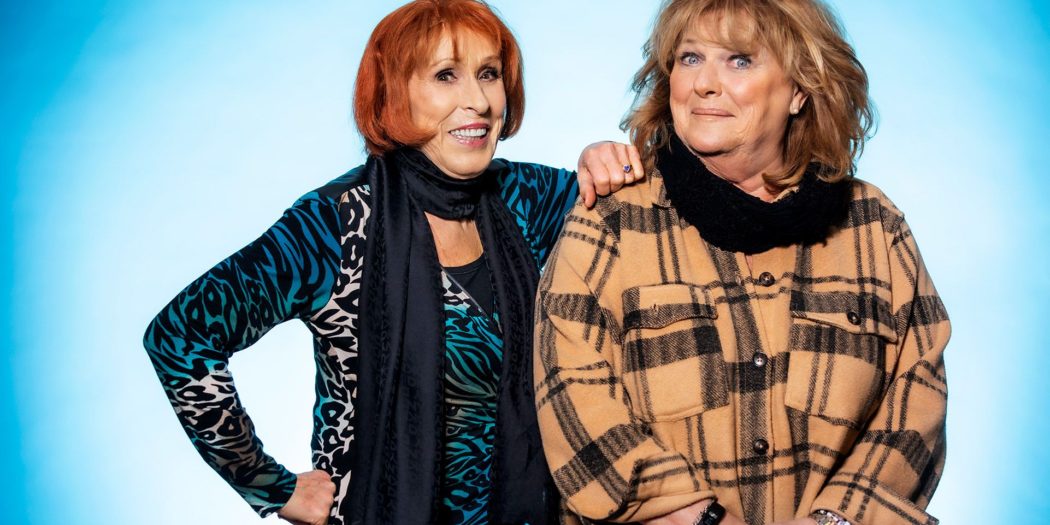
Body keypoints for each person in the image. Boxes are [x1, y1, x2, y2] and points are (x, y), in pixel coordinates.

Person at [142, 1, 643, 524]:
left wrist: (604, 158)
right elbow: (180, 335)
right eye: (445, 76)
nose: (477, 101)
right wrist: (268, 483)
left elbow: (648, 216)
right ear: (394, 93)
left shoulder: (527, 197)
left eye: (488, 74)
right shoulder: (334, 224)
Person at [534, 0, 950, 524]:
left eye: (739, 60)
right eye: (690, 58)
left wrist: (834, 521)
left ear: (800, 89)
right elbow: (574, 405)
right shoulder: (610, 221)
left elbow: (916, 401)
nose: (704, 84)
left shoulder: (875, 227)